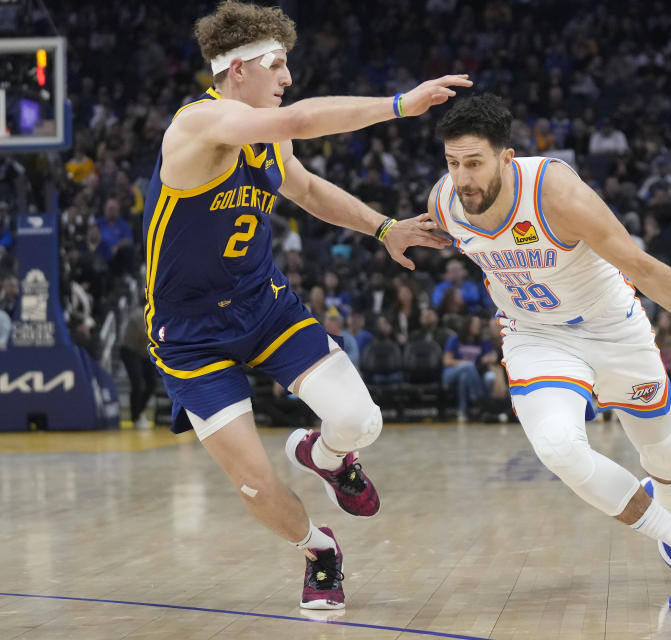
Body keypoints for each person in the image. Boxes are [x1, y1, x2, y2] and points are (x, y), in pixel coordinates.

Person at [141, 0, 469, 610]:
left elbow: (307, 187)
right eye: (278, 65)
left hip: (264, 307)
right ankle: (320, 550)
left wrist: (383, 228)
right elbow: (305, 119)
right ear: (238, 70)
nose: (288, 80)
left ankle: (322, 455)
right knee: (253, 484)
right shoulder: (197, 125)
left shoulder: (267, 143)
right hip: (190, 335)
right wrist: (399, 104)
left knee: (362, 422)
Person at [429, 95, 671, 612]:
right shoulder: (446, 202)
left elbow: (643, 267)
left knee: (659, 448)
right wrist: (389, 230)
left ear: (506, 157)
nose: (463, 177)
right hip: (535, 335)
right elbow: (428, 225)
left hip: (612, 326)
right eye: (453, 163)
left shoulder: (556, 193)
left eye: (474, 163)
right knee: (559, 449)